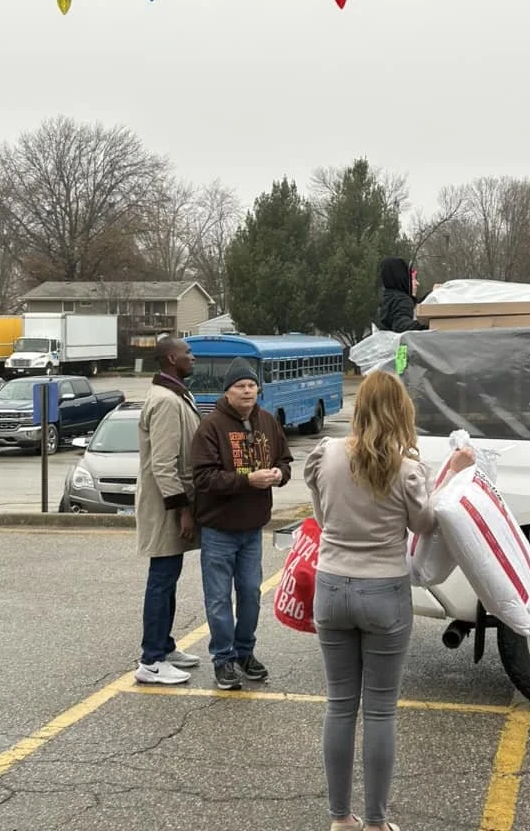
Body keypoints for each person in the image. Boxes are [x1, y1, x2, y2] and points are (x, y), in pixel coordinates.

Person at [303, 370, 475, 831]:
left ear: (358, 408)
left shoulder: (326, 454)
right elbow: (425, 524)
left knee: (340, 705)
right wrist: (453, 473)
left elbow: (322, 515)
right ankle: (376, 823)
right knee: (379, 710)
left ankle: (340, 819)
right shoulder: (406, 468)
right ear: (402, 412)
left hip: (331, 585)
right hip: (383, 589)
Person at [191, 357, 293, 690]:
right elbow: (203, 478)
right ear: (228, 391)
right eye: (240, 386)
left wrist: (279, 474)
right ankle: (223, 659)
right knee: (219, 598)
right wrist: (246, 480)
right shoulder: (211, 427)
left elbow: (285, 460)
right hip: (219, 529)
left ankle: (244, 653)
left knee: (250, 593)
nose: (247, 391)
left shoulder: (268, 421)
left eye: (252, 385)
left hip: (252, 528)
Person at [135, 337, 201, 685]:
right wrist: (182, 510)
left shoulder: (175, 395)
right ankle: (151, 660)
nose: (193, 357)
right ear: (172, 358)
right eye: (188, 353)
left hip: (172, 503)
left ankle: (165, 645)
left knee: (169, 577)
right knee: (161, 580)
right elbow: (163, 464)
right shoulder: (164, 401)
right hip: (166, 507)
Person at [376, 257, 429, 333]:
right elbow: (401, 326)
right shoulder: (401, 299)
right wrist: (429, 325)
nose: (417, 283)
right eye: (412, 279)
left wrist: (430, 294)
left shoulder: (388, 298)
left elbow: (408, 308)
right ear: (402, 278)